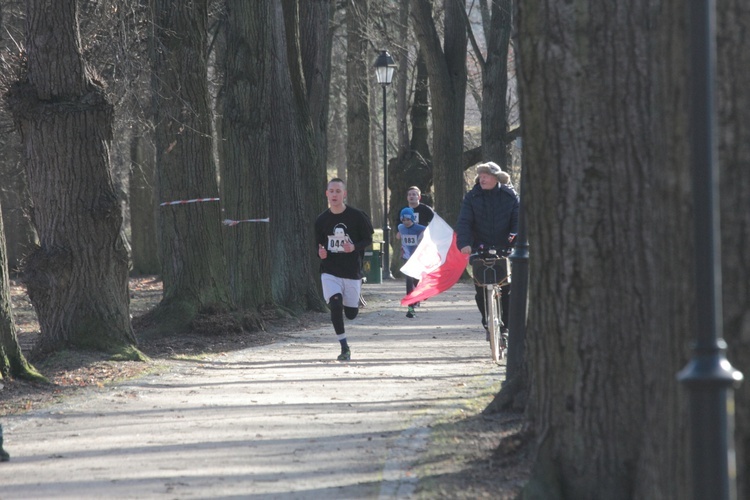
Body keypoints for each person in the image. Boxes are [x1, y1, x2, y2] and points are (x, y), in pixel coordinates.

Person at [456, 162, 519, 336]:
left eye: (486, 176)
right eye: (480, 176)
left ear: (496, 178)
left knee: (506, 289)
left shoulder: (510, 196)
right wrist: (464, 244)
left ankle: (505, 327)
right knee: (481, 289)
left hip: (505, 247)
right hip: (479, 247)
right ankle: (487, 322)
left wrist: (513, 239)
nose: (482, 179)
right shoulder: (472, 197)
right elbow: (464, 223)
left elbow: (518, 221)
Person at [315, 178, 374, 361]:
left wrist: (354, 247)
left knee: (351, 314)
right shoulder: (321, 220)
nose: (334, 195)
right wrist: (321, 253)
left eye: (338, 191)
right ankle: (344, 347)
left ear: (344, 194)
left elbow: (368, 240)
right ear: (327, 194)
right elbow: (317, 247)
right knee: (335, 304)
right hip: (330, 271)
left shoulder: (357, 216)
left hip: (351, 271)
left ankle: (356, 298)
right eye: (331, 191)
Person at [396, 207, 426, 318]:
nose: (405, 222)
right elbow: (399, 234)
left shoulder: (419, 228)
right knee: (408, 282)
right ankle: (410, 308)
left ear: (412, 219)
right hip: (407, 259)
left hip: (417, 258)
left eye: (408, 219)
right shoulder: (401, 227)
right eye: (403, 220)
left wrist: (422, 239)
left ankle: (418, 296)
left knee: (416, 281)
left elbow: (427, 230)